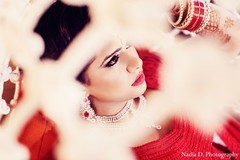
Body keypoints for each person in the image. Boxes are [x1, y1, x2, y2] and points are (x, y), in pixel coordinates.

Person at [18, 1, 240, 160]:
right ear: (76, 84)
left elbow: (234, 38)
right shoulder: (96, 150)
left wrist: (177, 7)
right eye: (112, 60)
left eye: (126, 44)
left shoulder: (151, 69)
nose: (134, 61)